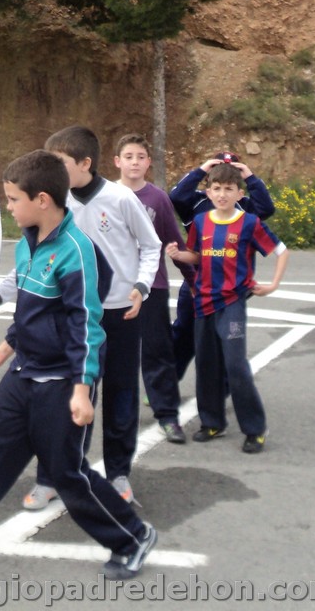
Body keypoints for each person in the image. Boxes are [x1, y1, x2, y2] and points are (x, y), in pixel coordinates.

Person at [0, 150, 157, 579]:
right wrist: (7, 347)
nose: (8, 206)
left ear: (42, 199)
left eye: (12, 199)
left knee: (67, 473)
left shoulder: (77, 251)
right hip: (24, 375)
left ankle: (131, 537)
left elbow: (86, 325)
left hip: (61, 383)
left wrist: (82, 387)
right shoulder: (28, 241)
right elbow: (33, 309)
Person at [34, 126, 160, 509]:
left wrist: (141, 286)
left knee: (121, 392)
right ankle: (55, 473)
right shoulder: (53, 202)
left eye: (60, 163)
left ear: (85, 163)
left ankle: (119, 473)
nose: (52, 170)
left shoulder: (120, 198)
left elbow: (151, 246)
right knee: (69, 394)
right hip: (73, 315)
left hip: (120, 312)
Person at [165, 162, 288, 454]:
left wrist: (272, 285)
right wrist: (178, 254)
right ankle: (212, 422)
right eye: (217, 189)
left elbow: (281, 251)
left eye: (228, 189)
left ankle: (255, 429)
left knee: (235, 365)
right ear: (208, 192)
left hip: (232, 302)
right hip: (203, 302)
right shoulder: (200, 222)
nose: (222, 194)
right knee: (206, 363)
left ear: (238, 193)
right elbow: (197, 255)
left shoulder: (249, 222)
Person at [169, 151, 275, 381]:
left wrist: (249, 175)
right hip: (197, 283)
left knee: (225, 338)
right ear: (209, 184)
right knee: (183, 332)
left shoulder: (245, 205)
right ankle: (168, 384)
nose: (223, 192)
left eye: (231, 182)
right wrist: (202, 169)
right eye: (217, 182)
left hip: (232, 286)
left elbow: (267, 208)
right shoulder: (196, 201)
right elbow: (175, 196)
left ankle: (224, 386)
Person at [114, 134, 187, 443]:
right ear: (117, 161)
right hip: (113, 289)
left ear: (148, 162)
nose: (134, 161)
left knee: (158, 351)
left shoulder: (157, 198)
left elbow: (173, 241)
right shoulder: (105, 195)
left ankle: (168, 415)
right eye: (128, 156)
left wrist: (193, 278)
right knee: (116, 356)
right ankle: (119, 417)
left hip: (151, 287)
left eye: (140, 156)